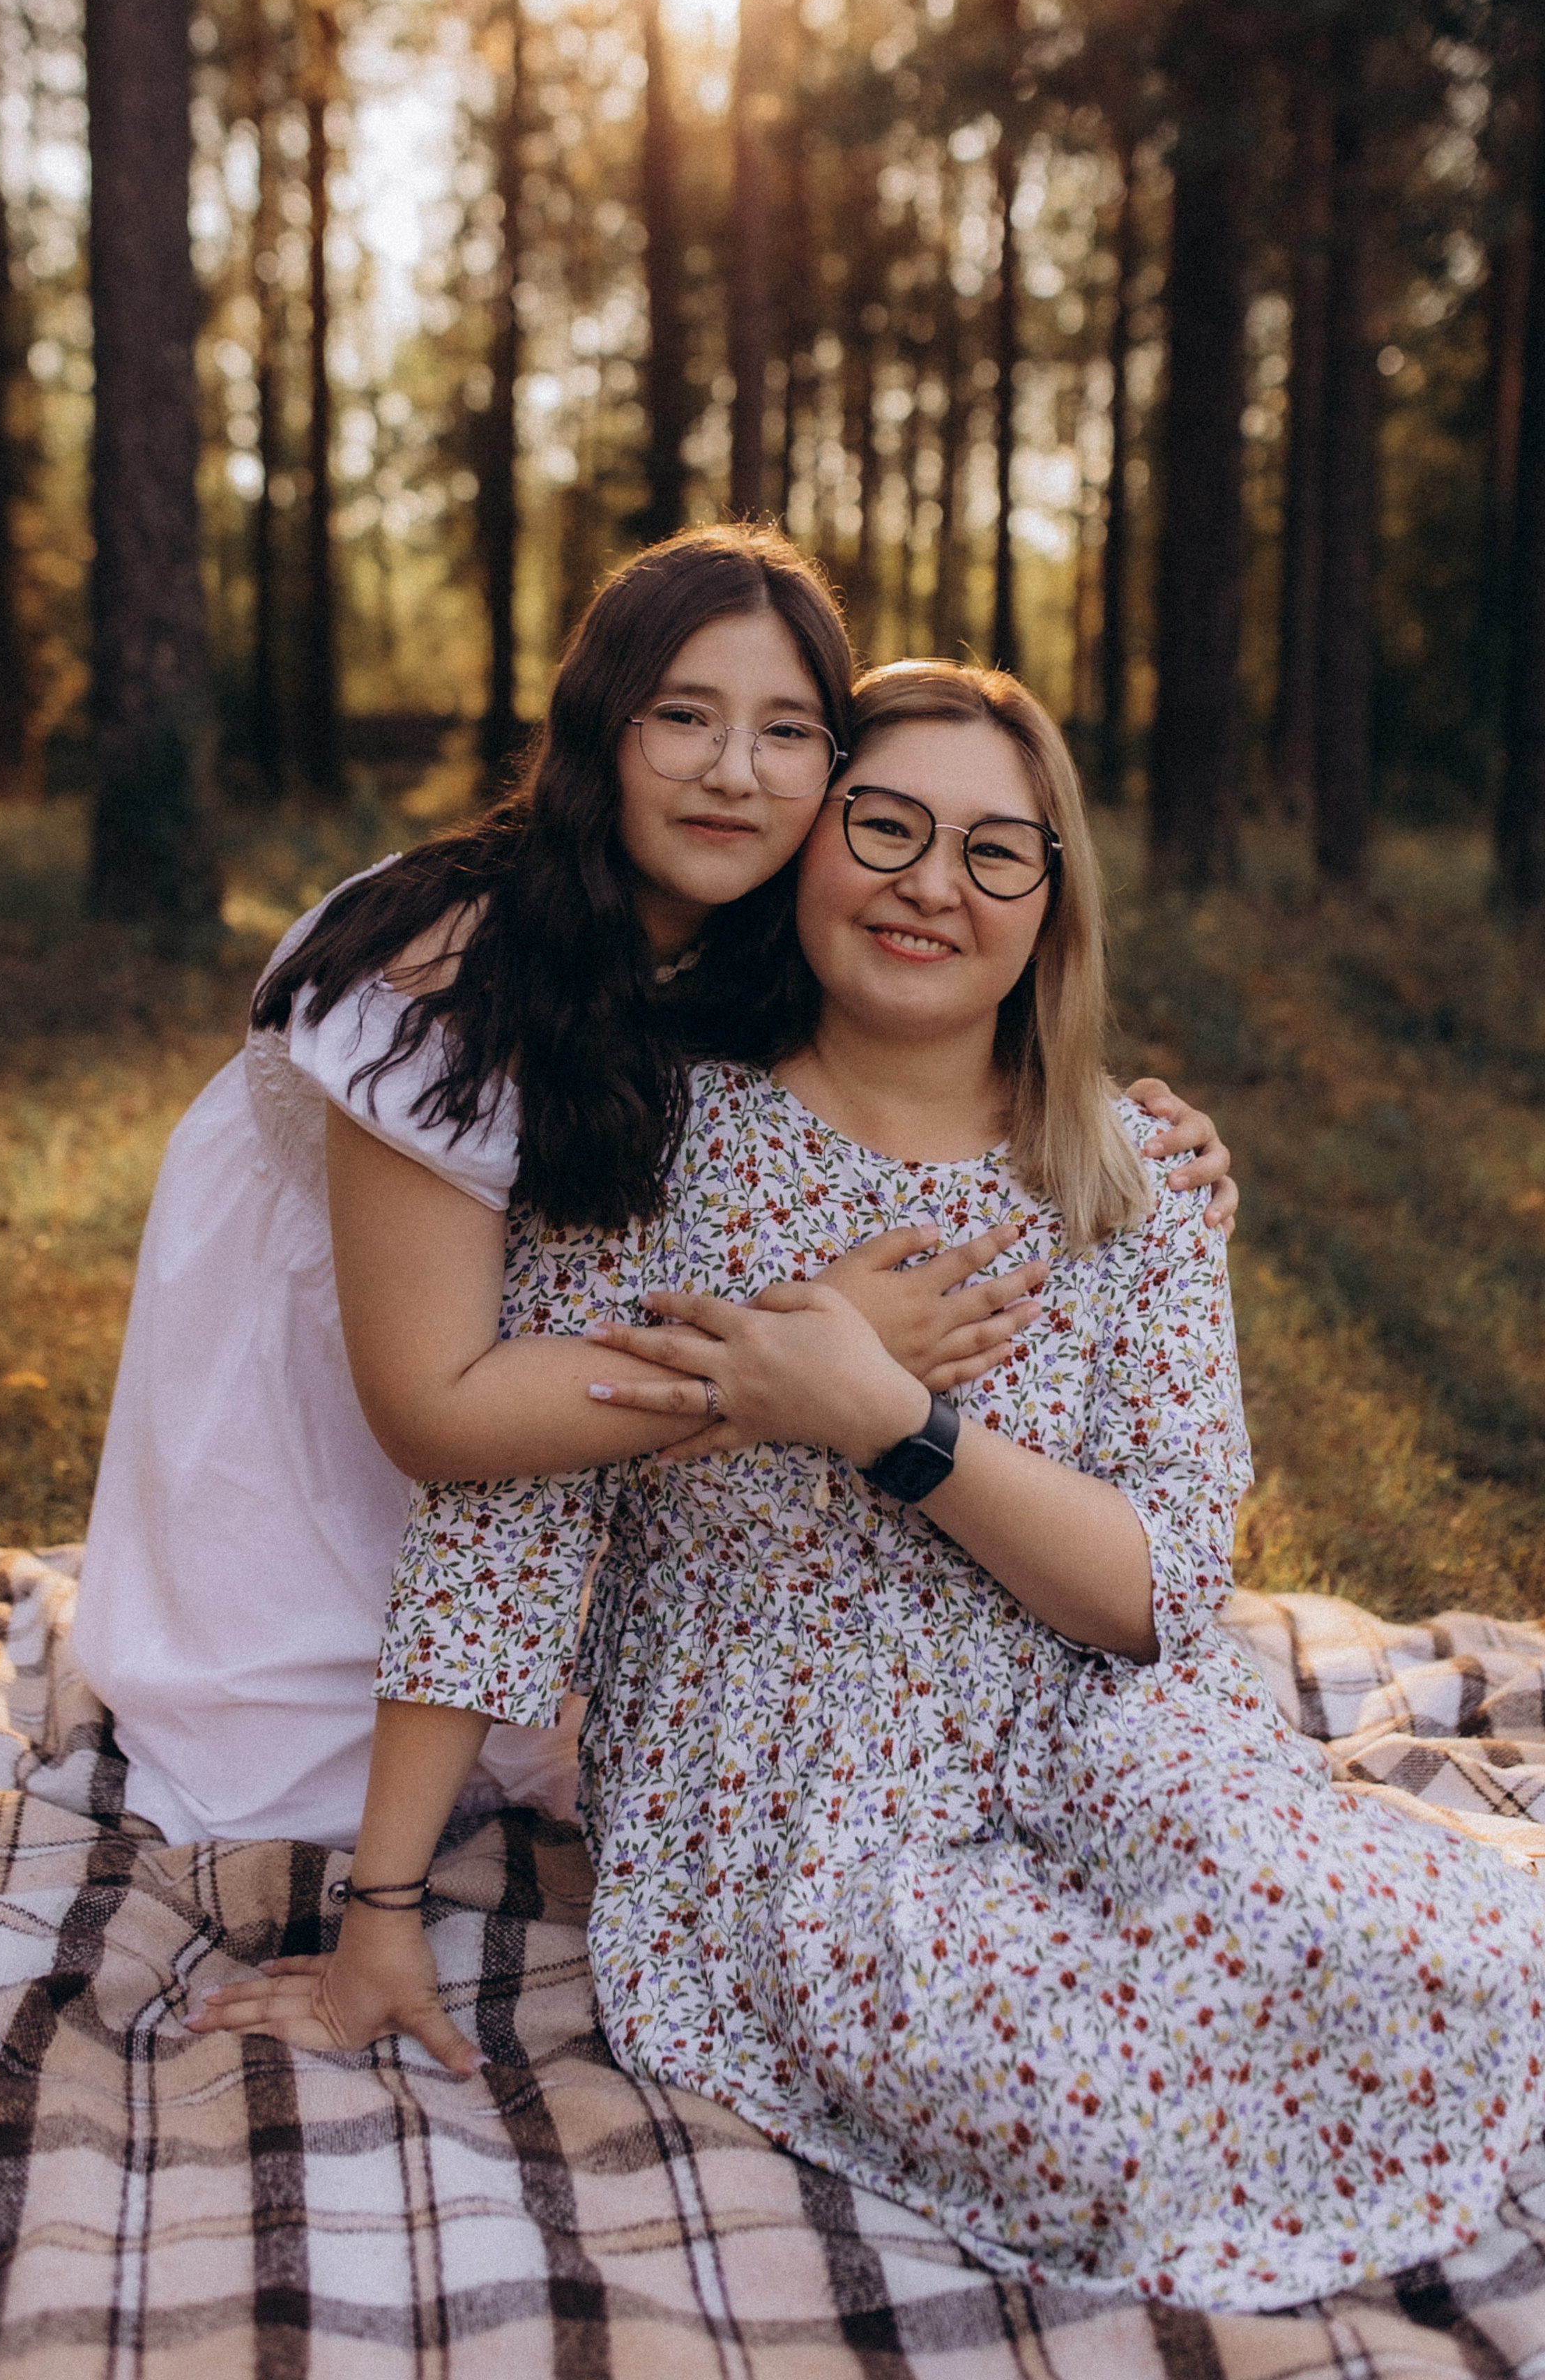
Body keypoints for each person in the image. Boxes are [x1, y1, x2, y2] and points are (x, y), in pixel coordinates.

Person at [195, 658, 1545, 2316]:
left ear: (1049, 906)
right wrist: (377, 1916)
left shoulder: (1128, 1173)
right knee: (1086, 2108)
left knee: (1441, 1963)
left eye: (993, 851)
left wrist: (884, 1419)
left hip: (1107, 1725)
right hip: (794, 1786)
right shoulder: (651, 1138)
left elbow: (1154, 1593)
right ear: (803, 856)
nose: (928, 884)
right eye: (883, 826)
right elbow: (502, 1525)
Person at [75, 527, 1233, 1847]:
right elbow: (434, 1413)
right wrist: (814, 1358)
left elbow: (938, 957)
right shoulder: (448, 971)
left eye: (787, 731)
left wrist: (1124, 1139)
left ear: (830, 778)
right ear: (598, 726)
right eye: (682, 715)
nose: (733, 772)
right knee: (301, 1800)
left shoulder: (736, 934)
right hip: (337, 1404)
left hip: (555, 1410)